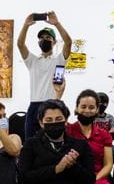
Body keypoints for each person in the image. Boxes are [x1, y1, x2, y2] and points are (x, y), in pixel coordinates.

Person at [17, 11, 72, 139]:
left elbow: (68, 42)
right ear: (38, 42)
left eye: (48, 37)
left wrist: (57, 24)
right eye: (42, 38)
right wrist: (26, 25)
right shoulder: (33, 61)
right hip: (34, 106)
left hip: (53, 105)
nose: (44, 40)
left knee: (54, 142)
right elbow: (20, 44)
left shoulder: (59, 60)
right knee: (30, 143)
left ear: (54, 42)